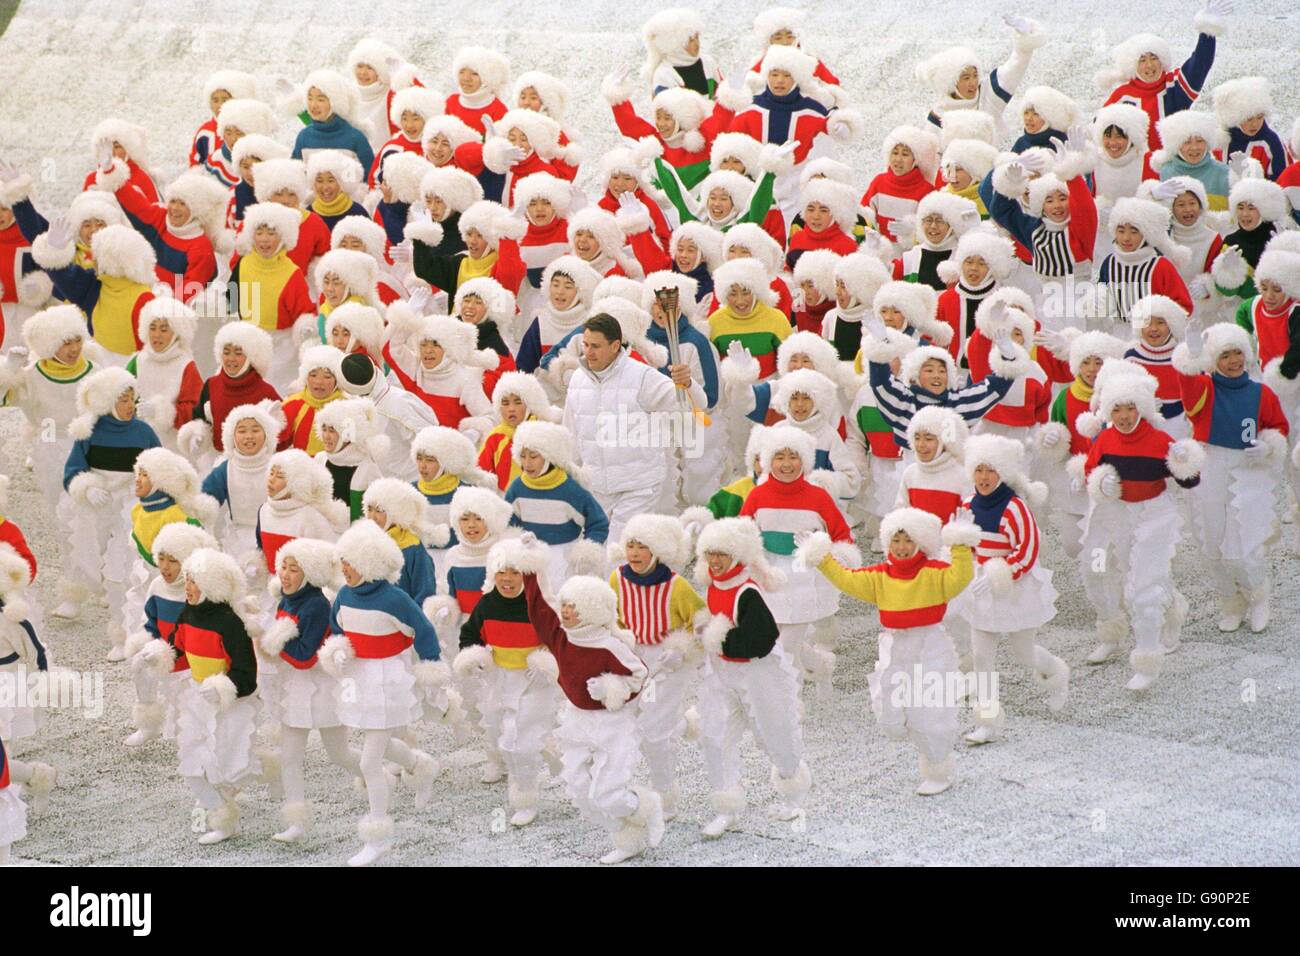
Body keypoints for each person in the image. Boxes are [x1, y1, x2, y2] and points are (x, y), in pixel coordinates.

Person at [796, 508, 978, 795]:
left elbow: (961, 577)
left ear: (921, 543)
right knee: (889, 714)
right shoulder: (879, 577)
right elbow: (846, 579)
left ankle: (938, 768)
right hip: (894, 646)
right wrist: (822, 557)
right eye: (896, 541)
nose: (902, 548)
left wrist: (959, 544)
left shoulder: (935, 573)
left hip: (929, 647)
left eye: (909, 541)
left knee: (929, 711)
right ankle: (918, 737)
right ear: (887, 544)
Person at [318, 521, 444, 866]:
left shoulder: (395, 598)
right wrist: (340, 650)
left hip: (389, 682)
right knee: (382, 742)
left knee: (369, 760)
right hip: (359, 680)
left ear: (371, 563)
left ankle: (379, 837)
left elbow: (423, 630)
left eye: (352, 562)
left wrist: (431, 670)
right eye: (343, 560)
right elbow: (337, 628)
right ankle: (421, 766)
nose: (344, 568)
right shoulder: (344, 595)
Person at [693, 518, 810, 835]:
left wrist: (718, 639)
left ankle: (792, 794)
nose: (715, 561)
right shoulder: (713, 584)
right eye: (710, 554)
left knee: (773, 732)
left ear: (737, 556)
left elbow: (763, 637)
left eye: (721, 554)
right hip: (722, 674)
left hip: (758, 674)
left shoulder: (747, 592)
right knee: (715, 737)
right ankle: (726, 807)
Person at [1173, 322, 1289, 632]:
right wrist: (1193, 354)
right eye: (1225, 355)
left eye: (1238, 352)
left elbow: (1279, 427)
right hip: (1209, 463)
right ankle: (1230, 600)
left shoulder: (1261, 392)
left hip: (1247, 469)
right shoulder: (1206, 388)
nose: (1233, 361)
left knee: (1242, 546)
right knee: (1210, 544)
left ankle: (1258, 594)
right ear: (1214, 360)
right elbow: (1187, 388)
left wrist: (1267, 445)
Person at [953, 435, 1066, 744]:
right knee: (981, 658)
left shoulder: (1015, 508)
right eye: (978, 470)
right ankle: (987, 722)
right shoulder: (965, 504)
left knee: (1024, 653)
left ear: (1002, 473)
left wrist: (998, 574)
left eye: (990, 470)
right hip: (980, 590)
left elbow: (1028, 551)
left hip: (1013, 588)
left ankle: (1056, 674)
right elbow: (961, 544)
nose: (984, 477)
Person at [561, 312, 706, 535]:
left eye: (596, 346)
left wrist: (687, 383)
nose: (588, 352)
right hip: (597, 486)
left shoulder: (642, 377)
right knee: (595, 552)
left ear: (615, 345)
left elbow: (695, 405)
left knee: (620, 550)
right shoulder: (578, 381)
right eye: (586, 345)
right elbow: (571, 434)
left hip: (638, 484)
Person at [452, 536, 559, 827]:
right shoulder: (487, 604)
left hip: (533, 682)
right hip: (499, 678)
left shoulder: (541, 607)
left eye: (515, 572)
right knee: (501, 732)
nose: (507, 579)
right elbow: (469, 636)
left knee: (517, 740)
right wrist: (474, 659)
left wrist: (546, 661)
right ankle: (545, 752)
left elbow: (560, 644)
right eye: (501, 572)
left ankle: (525, 797)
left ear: (528, 575)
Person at [172, 548, 260, 845]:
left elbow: (247, 677)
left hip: (229, 708)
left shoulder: (230, 624)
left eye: (194, 581)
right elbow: (179, 653)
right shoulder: (187, 613)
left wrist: (221, 687)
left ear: (212, 585)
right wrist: (155, 657)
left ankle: (232, 797)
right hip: (198, 702)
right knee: (191, 763)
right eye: (186, 580)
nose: (187, 587)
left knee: (226, 770)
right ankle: (222, 817)